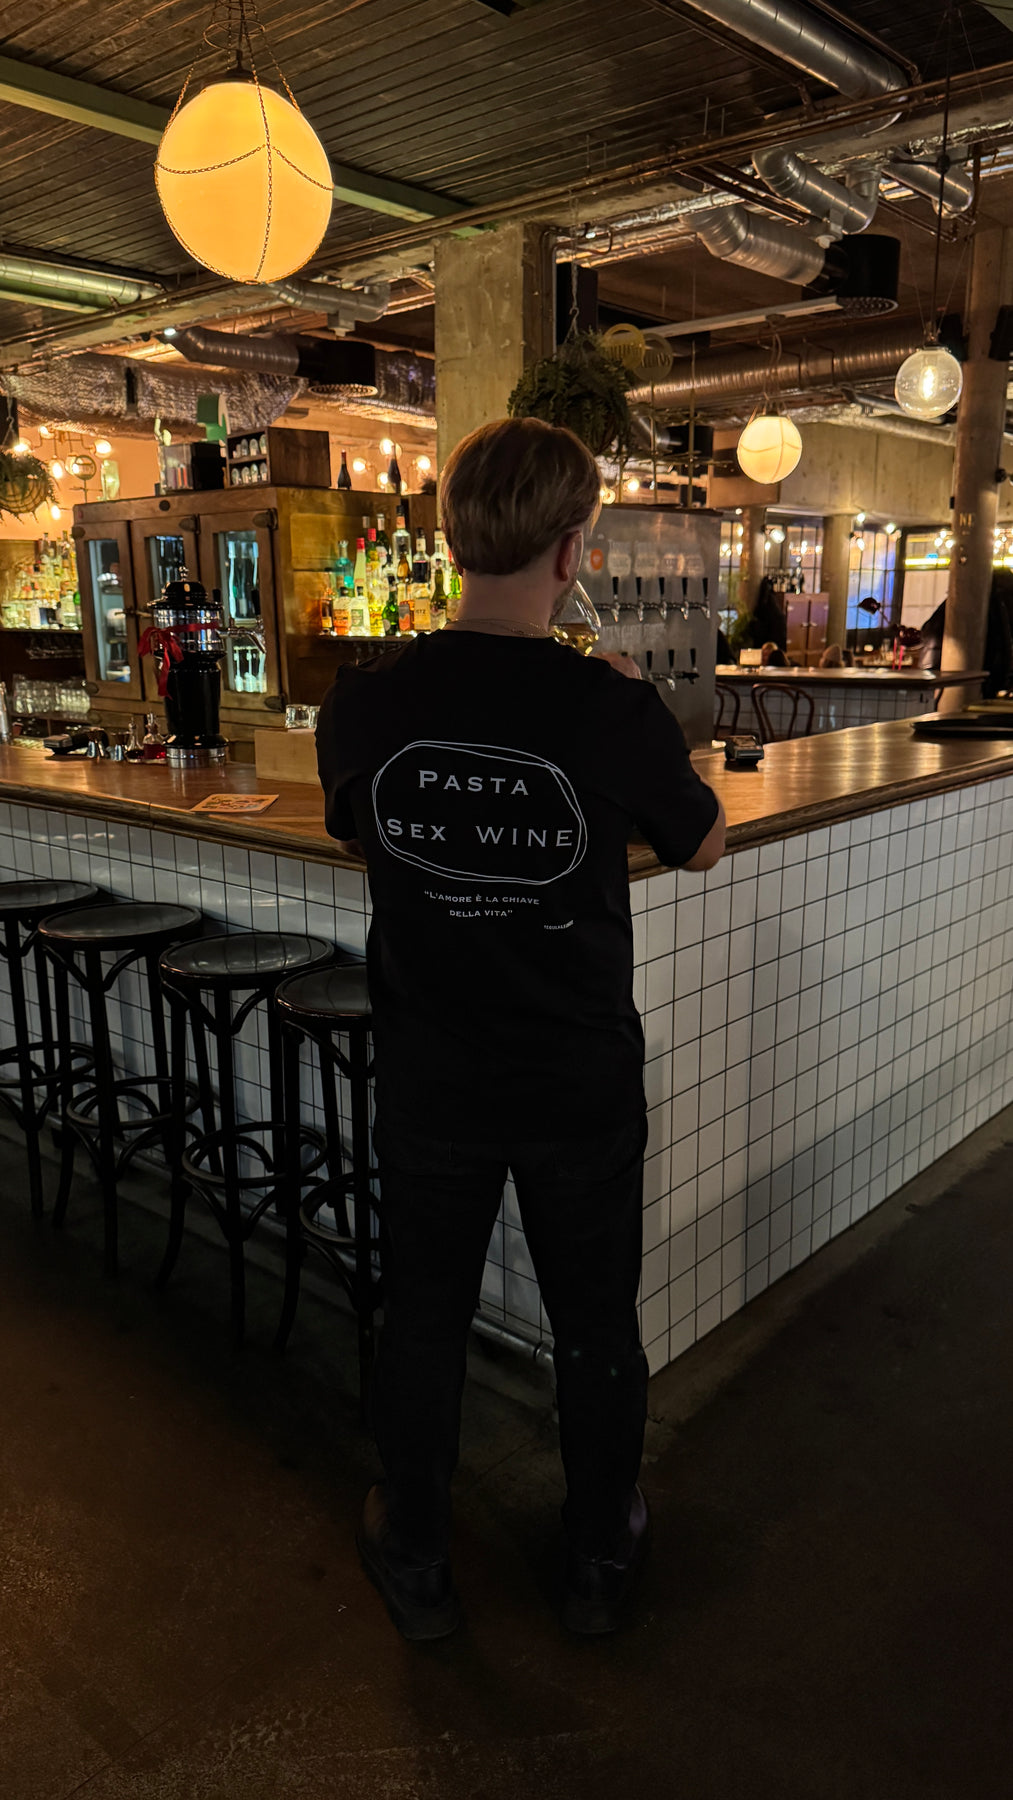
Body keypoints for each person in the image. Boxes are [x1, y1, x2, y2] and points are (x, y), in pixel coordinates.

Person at [316, 417, 724, 1642]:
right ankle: (598, 1557)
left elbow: (359, 827)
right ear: (568, 549)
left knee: (424, 1317)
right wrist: (626, 739)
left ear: (452, 541)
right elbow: (704, 842)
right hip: (573, 1075)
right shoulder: (605, 706)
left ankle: (418, 1558)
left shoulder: (367, 702)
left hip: (430, 1071)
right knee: (593, 1325)